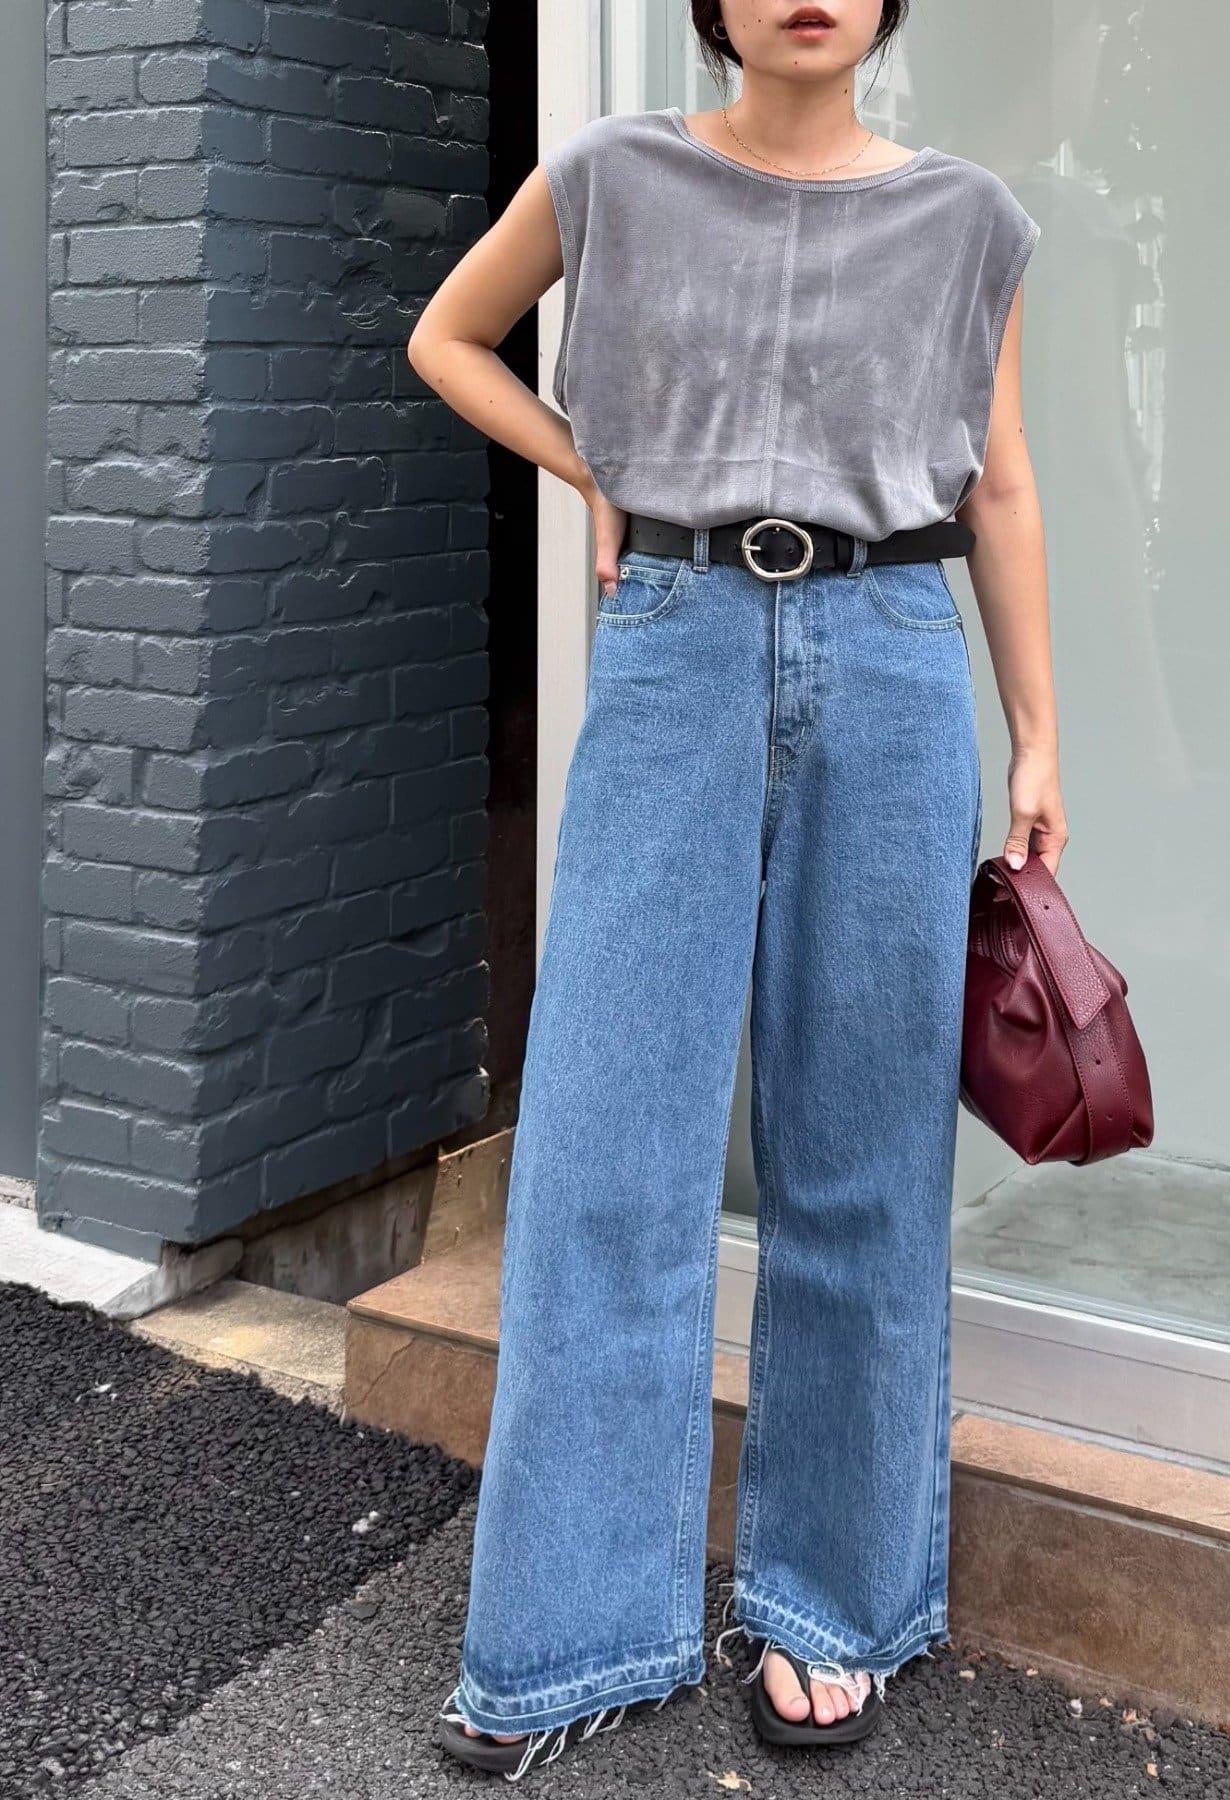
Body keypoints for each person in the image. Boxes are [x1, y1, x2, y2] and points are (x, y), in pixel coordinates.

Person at [407, 0, 1064, 1778]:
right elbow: (447, 336)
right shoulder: (611, 174)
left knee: (863, 1149)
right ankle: (565, 1632)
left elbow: (1003, 484)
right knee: (605, 1142)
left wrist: (1039, 737)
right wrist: (591, 468)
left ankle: (831, 1607)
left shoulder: (969, 218)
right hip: (677, 645)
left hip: (894, 653)